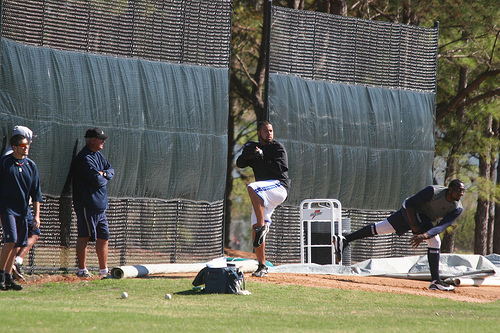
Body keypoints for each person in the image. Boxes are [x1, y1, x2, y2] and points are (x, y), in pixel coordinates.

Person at [333, 179, 466, 291]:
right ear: (450, 189)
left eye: (463, 191)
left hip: (421, 217)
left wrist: (423, 235)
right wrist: (415, 227)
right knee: (435, 242)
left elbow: (441, 226)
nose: (461, 194)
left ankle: (344, 240)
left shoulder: (457, 208)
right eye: (458, 190)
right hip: (410, 210)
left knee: (380, 228)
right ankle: (436, 281)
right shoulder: (433, 191)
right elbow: (410, 204)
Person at [236, 121, 290, 277]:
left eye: (271, 130)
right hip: (264, 195)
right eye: (266, 131)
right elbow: (240, 164)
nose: (270, 134)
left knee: (252, 187)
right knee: (255, 230)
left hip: (279, 187)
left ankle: (262, 227)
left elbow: (280, 169)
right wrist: (248, 154)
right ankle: (262, 267)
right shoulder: (255, 148)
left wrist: (262, 156)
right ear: (259, 133)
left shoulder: (277, 148)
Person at [0, 134, 43, 290]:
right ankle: (0, 275)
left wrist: (36, 215)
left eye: (27, 145)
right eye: (23, 146)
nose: (26, 148)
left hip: (24, 211)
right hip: (7, 208)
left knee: (17, 245)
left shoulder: (31, 165)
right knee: (10, 240)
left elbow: (36, 193)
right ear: (15, 148)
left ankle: (8, 277)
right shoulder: (4, 163)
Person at [72, 128, 114, 278]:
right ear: (91, 140)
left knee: (104, 237)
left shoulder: (98, 156)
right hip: (87, 205)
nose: (103, 141)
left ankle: (104, 271)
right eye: (100, 139)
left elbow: (111, 171)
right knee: (84, 237)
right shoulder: (84, 158)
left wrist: (103, 173)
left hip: (100, 206)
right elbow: (96, 180)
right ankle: (82, 270)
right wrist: (103, 176)